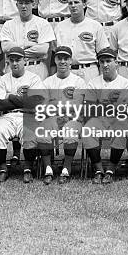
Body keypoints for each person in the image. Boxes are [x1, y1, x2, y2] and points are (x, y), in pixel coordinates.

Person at [0, 47, 45, 184]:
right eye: (12, 60)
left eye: (18, 60)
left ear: (25, 60)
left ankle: (28, 168)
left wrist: (11, 98)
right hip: (7, 116)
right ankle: (3, 168)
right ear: (8, 61)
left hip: (28, 115)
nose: (15, 63)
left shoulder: (34, 78)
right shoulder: (2, 80)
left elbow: (35, 102)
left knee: (30, 133)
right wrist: (23, 101)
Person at [82, 48, 128, 184]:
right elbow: (90, 108)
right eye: (102, 61)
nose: (105, 65)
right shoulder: (94, 83)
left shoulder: (126, 83)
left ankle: (110, 170)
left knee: (121, 128)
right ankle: (99, 170)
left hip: (119, 119)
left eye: (109, 61)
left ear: (116, 63)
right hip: (99, 119)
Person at [40, 46, 87, 184]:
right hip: (53, 117)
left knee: (70, 130)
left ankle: (66, 168)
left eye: (66, 58)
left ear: (71, 61)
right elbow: (43, 106)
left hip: (73, 119)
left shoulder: (78, 81)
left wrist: (56, 106)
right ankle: (48, 168)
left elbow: (77, 105)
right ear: (54, 60)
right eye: (59, 58)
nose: (62, 61)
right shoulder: (47, 82)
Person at [53, 0, 109, 82]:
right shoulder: (60, 26)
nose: (73, 5)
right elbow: (54, 55)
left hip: (89, 71)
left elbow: (103, 55)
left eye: (76, 2)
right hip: (66, 71)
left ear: (84, 5)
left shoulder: (95, 26)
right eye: (70, 3)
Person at [0, 0, 55, 80]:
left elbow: (43, 49)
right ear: (16, 5)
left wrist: (17, 52)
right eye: (21, 3)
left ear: (33, 5)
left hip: (36, 68)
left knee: (36, 94)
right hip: (14, 69)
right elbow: (5, 47)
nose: (24, 6)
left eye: (27, 3)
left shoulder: (43, 23)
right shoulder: (8, 24)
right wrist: (29, 44)